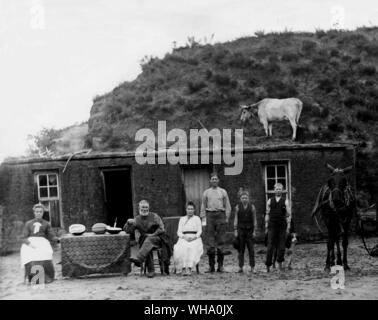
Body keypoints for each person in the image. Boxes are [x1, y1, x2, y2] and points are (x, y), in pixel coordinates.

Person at [124, 200, 171, 278]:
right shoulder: (136, 219)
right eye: (143, 207)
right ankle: (151, 271)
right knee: (146, 244)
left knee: (148, 240)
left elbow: (162, 229)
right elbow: (128, 231)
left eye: (146, 207)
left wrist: (152, 234)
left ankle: (139, 259)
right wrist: (128, 223)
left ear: (149, 208)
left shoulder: (154, 216)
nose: (144, 209)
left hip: (157, 239)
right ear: (139, 208)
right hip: (145, 240)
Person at [20, 203, 59, 284]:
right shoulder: (28, 223)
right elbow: (23, 237)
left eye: (40, 212)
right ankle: (32, 278)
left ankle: (47, 277)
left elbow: (51, 235)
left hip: (42, 242)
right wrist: (29, 244)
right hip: (30, 242)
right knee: (30, 254)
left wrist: (58, 239)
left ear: (43, 213)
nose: (38, 213)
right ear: (34, 212)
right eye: (37, 212)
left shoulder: (46, 223)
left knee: (45, 253)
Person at [200, 173, 231, 273]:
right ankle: (211, 266)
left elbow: (228, 206)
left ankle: (220, 266)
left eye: (216, 179)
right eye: (212, 179)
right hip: (210, 216)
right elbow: (203, 206)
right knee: (210, 241)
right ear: (210, 181)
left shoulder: (223, 192)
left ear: (218, 180)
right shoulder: (206, 192)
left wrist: (226, 218)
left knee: (221, 240)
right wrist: (203, 219)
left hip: (221, 215)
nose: (214, 180)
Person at [265, 183, 291, 272]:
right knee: (270, 246)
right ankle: (268, 265)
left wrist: (288, 225)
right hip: (272, 225)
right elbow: (267, 213)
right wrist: (266, 225)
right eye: (277, 189)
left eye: (280, 189)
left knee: (281, 246)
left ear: (282, 190)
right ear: (274, 190)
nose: (278, 190)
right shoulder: (270, 200)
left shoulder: (285, 201)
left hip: (282, 225)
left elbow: (288, 214)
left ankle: (280, 264)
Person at [173, 201, 204, 276]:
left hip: (195, 238)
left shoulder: (197, 219)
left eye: (192, 209)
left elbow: (200, 231)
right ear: (186, 210)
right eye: (188, 209)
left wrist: (194, 237)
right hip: (184, 238)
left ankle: (190, 268)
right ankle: (183, 268)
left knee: (192, 247)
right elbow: (179, 232)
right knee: (182, 247)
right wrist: (184, 237)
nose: (190, 210)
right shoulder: (182, 219)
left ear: (194, 210)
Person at [234, 190, 257, 273]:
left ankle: (252, 267)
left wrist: (254, 230)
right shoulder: (237, 207)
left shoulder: (252, 207)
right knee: (241, 249)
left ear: (248, 199)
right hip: (241, 230)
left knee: (251, 249)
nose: (244, 199)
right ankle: (240, 267)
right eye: (243, 198)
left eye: (246, 198)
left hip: (249, 230)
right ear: (240, 199)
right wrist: (235, 230)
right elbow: (236, 218)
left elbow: (254, 219)